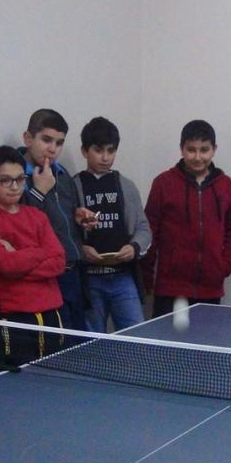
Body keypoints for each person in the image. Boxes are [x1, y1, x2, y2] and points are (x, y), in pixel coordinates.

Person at [143, 119, 231, 317]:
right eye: (191, 150)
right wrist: (146, 277)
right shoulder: (163, 183)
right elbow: (150, 231)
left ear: (214, 150)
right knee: (166, 339)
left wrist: (223, 266)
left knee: (207, 338)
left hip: (211, 289)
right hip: (170, 289)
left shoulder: (226, 185)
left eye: (204, 150)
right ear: (181, 149)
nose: (198, 157)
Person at [0, 146, 68, 363]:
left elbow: (59, 261)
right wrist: (41, 252)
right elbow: (6, 265)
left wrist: (19, 254)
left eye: (20, 179)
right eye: (5, 180)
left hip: (52, 312)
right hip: (15, 316)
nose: (15, 186)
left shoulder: (37, 215)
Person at [19, 108, 98, 330]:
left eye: (59, 143)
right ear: (28, 138)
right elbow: (21, 226)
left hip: (73, 271)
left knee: (80, 340)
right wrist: (39, 192)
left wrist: (79, 217)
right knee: (58, 342)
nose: (53, 149)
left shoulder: (62, 174)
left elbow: (66, 215)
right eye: (46, 140)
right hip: (45, 277)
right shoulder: (15, 175)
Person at [73, 116, 151, 332]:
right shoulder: (73, 186)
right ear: (85, 151)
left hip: (123, 277)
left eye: (111, 150)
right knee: (92, 341)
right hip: (89, 279)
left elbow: (144, 229)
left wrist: (134, 247)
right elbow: (65, 233)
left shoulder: (126, 186)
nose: (105, 157)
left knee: (136, 336)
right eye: (98, 150)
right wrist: (81, 249)